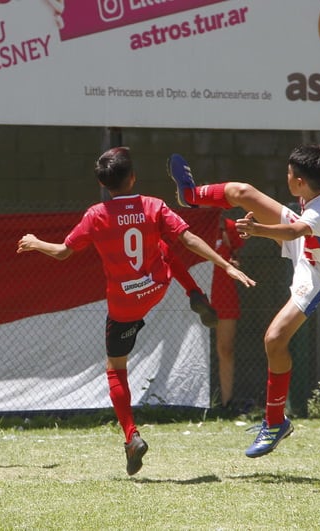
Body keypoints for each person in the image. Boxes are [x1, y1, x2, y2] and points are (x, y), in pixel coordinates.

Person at [17, 147, 255, 475]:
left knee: (115, 367)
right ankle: (195, 292)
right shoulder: (153, 206)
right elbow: (188, 240)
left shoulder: (95, 214)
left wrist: (35, 241)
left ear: (103, 184)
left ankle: (131, 437)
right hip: (156, 286)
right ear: (133, 178)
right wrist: (225, 265)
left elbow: (61, 252)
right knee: (161, 243)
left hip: (125, 303)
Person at [168, 144, 320, 458]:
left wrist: (257, 229)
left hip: (319, 272)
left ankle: (275, 422)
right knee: (243, 191)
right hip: (309, 244)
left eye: (290, 174)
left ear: (301, 183)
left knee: (274, 340)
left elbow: (293, 231)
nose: (287, 177)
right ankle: (191, 195)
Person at [211, 216, 245, 413]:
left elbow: (236, 255)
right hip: (198, 292)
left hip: (224, 293)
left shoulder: (228, 226)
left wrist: (234, 262)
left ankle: (226, 403)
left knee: (226, 348)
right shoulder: (190, 226)